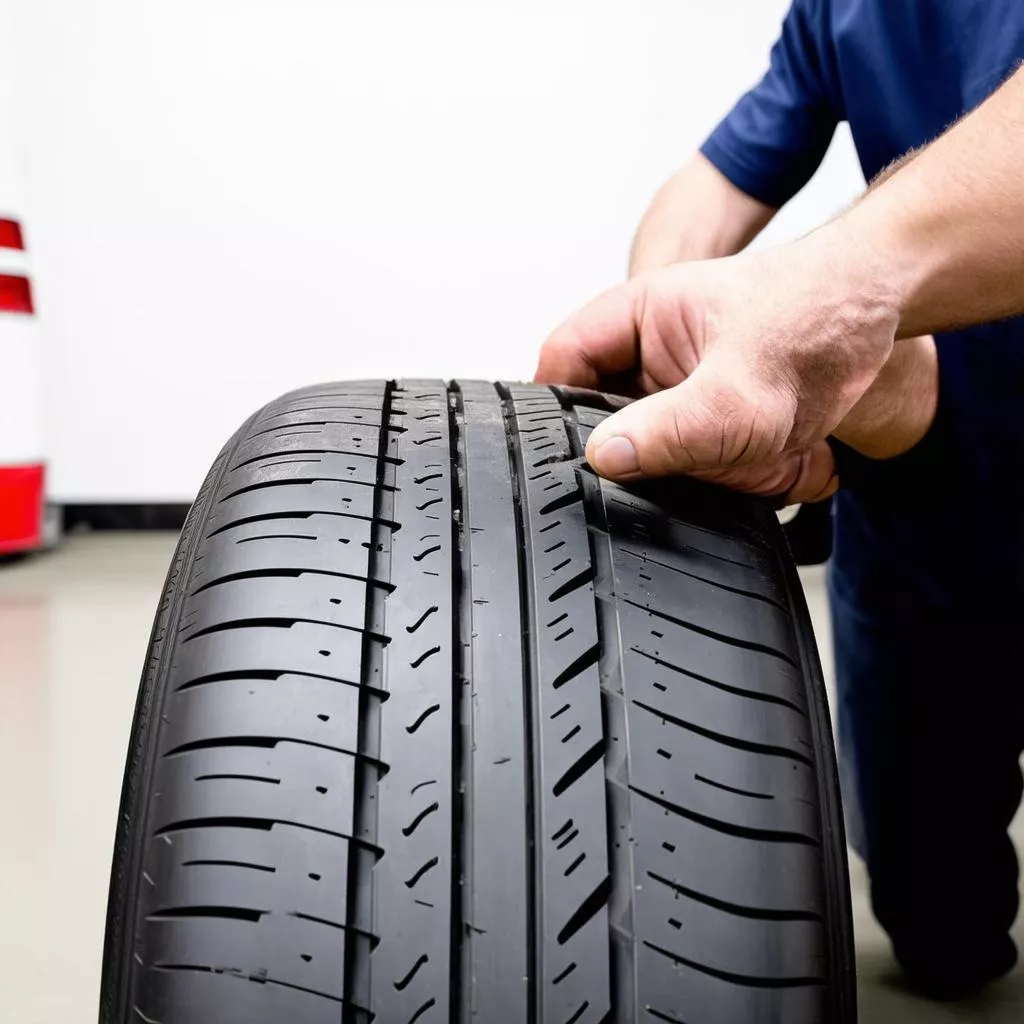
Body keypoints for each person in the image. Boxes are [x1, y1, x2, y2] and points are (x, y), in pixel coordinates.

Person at [537, 7, 1024, 1000]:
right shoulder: (842, 14)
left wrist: (829, 295)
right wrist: (670, 325)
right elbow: (712, 187)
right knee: (937, 937)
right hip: (922, 509)